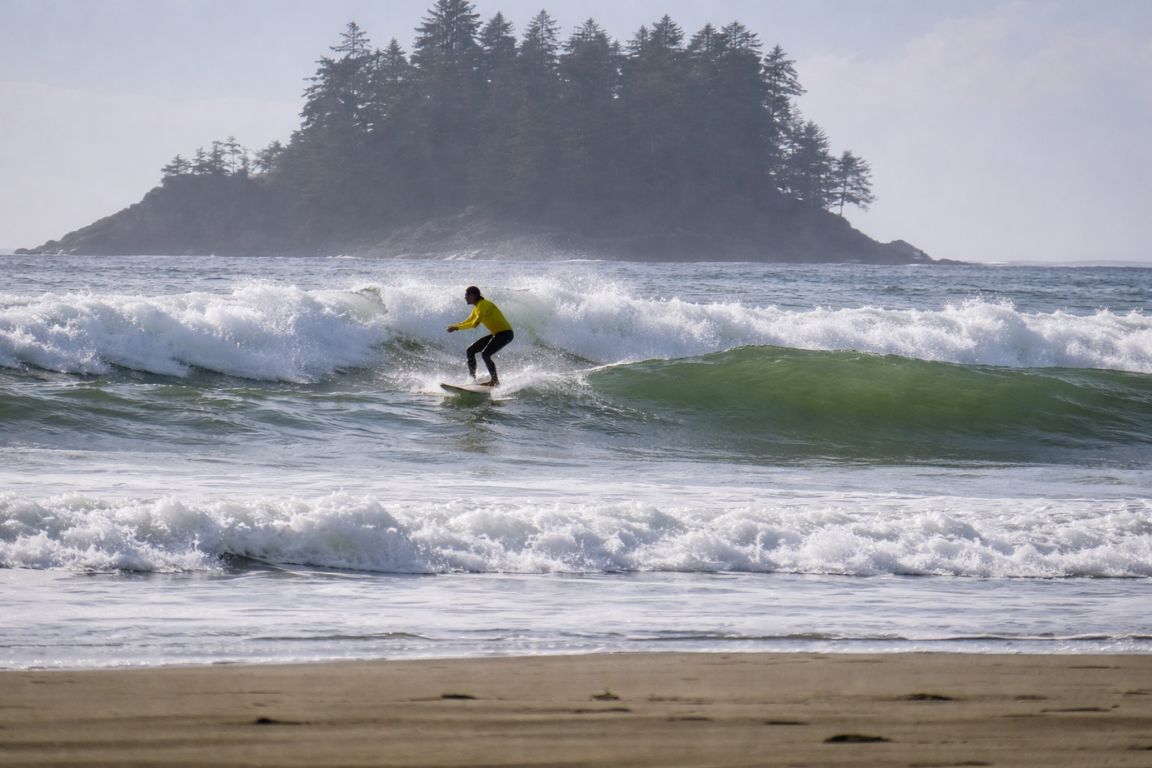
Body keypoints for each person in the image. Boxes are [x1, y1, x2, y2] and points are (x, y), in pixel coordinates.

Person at [446, 285, 514, 387]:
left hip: (505, 333)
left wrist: (457, 328)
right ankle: (472, 379)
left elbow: (474, 324)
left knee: (485, 354)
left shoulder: (483, 305)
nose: (465, 297)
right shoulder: (476, 308)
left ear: (473, 295)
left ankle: (494, 380)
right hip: (497, 333)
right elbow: (468, 321)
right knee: (470, 350)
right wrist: (455, 326)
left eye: (466, 295)